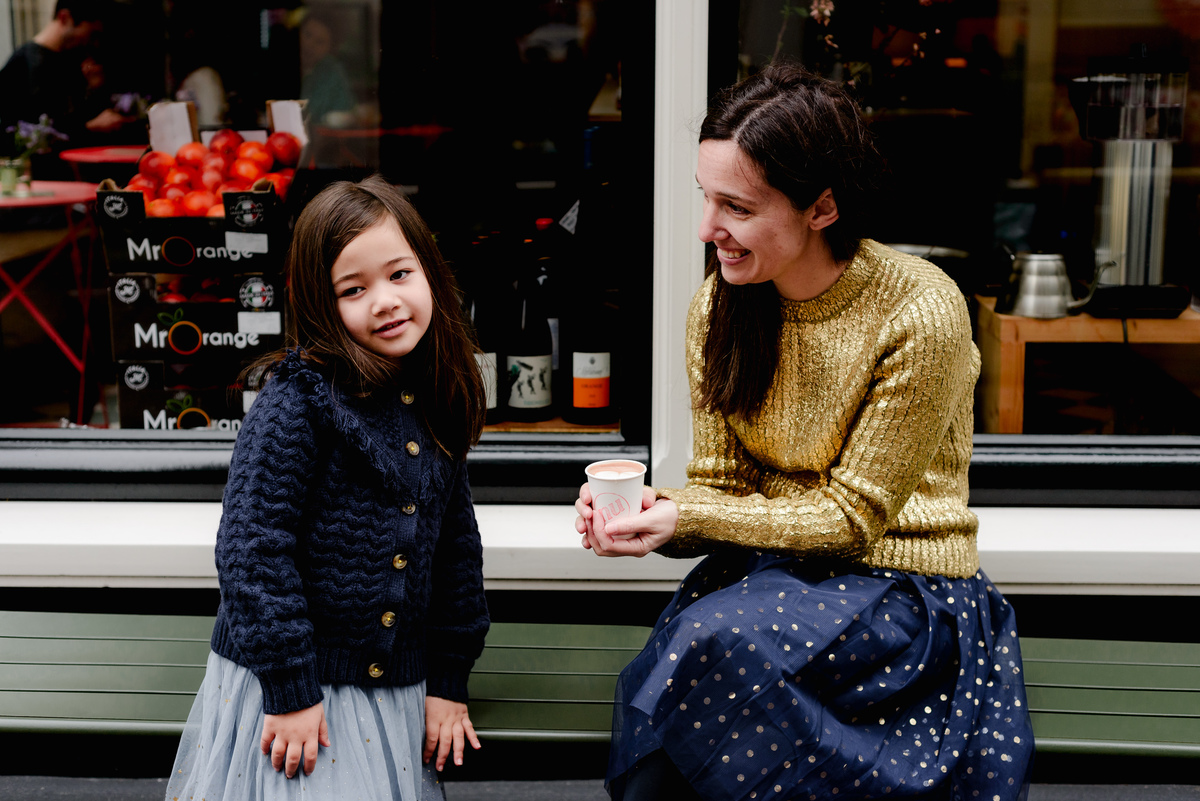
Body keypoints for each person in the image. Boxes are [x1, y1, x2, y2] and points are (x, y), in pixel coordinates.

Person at [575, 63, 1035, 801]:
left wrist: (687, 516)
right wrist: (652, 516)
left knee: (705, 657)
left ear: (822, 207)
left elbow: (854, 520)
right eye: (705, 196)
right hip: (765, 586)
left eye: (736, 206)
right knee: (677, 726)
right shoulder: (720, 307)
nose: (707, 229)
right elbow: (723, 491)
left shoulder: (919, 310)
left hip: (903, 592)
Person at [165, 175, 490, 801]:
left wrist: (449, 682)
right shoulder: (297, 402)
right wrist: (291, 689)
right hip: (297, 698)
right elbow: (252, 551)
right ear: (321, 303)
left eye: (400, 274)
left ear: (430, 273)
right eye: (353, 289)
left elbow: (456, 552)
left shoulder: (435, 399)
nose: (385, 301)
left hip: (393, 696)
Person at [0, 0, 132, 151]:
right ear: (64, 17)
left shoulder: (68, 59)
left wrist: (95, 89)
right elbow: (35, 133)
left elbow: (71, 116)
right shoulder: (27, 64)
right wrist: (89, 127)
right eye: (91, 34)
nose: (92, 42)